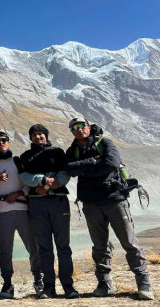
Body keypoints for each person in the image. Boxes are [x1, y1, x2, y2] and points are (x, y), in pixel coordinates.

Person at [65, 118, 154, 300]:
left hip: (114, 200)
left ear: (88, 127)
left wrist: (84, 169)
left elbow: (111, 163)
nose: (79, 129)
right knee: (99, 246)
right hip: (90, 204)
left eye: (82, 126)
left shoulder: (105, 142)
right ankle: (105, 282)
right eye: (74, 128)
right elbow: (68, 169)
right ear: (72, 132)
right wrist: (92, 161)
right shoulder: (72, 150)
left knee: (129, 243)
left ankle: (144, 283)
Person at [19, 125, 78, 299]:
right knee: (44, 247)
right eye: (35, 135)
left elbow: (65, 173)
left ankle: (68, 286)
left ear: (46, 135)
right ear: (31, 138)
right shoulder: (25, 156)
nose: (38, 137)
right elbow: (23, 177)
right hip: (37, 204)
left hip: (58, 201)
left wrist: (49, 185)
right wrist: (43, 181)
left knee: (63, 246)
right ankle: (49, 287)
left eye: (41, 134)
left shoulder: (58, 152)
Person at [0, 131, 42, 299]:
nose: (1, 143)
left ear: (9, 143)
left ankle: (38, 279)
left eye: (4, 140)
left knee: (33, 246)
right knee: (5, 250)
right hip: (1, 212)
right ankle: (8, 283)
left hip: (22, 210)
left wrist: (16, 194)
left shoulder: (18, 161)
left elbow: (28, 185)